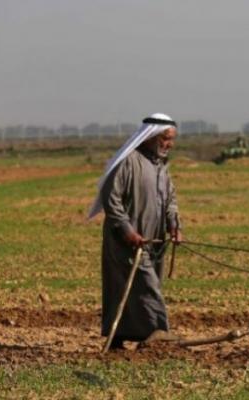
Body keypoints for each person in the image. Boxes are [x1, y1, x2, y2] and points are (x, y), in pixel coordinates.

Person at [88, 113, 183, 349]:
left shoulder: (161, 167)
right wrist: (127, 231)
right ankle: (159, 333)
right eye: (165, 138)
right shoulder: (128, 162)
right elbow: (112, 200)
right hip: (126, 241)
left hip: (153, 240)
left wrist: (174, 224)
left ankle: (119, 337)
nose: (169, 144)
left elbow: (170, 200)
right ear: (150, 136)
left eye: (171, 140)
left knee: (133, 288)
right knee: (146, 285)